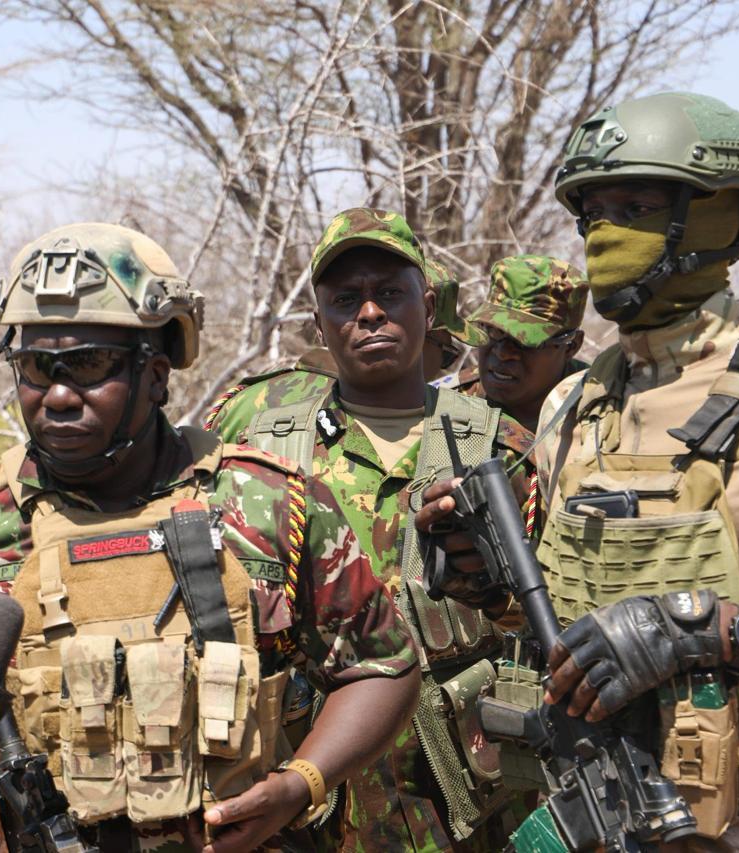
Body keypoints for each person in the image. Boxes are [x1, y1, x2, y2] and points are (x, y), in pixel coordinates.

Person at [0, 222, 420, 853]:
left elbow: (384, 664)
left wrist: (302, 783)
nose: (56, 396)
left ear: (157, 375)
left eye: (88, 366)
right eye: (34, 367)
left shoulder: (268, 499)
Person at [419, 91, 739, 849]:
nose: (604, 235)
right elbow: (566, 622)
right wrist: (485, 576)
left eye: (637, 205)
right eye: (592, 214)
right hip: (608, 820)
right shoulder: (575, 404)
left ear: (721, 216)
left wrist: (712, 632)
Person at [208, 208, 532, 851]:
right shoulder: (258, 450)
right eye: (346, 299)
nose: (370, 314)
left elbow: (554, 624)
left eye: (389, 293)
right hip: (305, 804)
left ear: (428, 303)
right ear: (319, 319)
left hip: (467, 804)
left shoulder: (501, 449)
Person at [202, 252, 476, 436]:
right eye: (446, 355)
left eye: (390, 294)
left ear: (426, 312)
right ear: (320, 325)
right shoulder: (263, 426)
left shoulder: (486, 437)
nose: (371, 314)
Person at [444, 254, 589, 435]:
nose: (503, 352)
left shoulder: (600, 413)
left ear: (571, 346)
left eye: (525, 340)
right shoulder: (445, 403)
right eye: (494, 330)